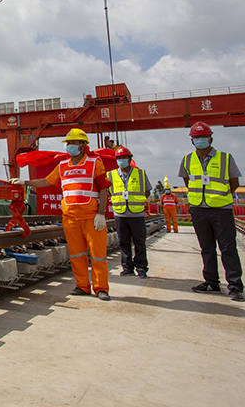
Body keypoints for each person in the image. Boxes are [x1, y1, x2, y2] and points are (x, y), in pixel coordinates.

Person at [10, 128, 112, 300]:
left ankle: (101, 288)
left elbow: (103, 188)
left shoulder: (95, 163)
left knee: (97, 255)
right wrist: (24, 182)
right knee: (76, 254)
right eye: (69, 143)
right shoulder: (63, 165)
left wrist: (101, 214)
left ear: (82, 145)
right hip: (70, 217)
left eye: (73, 143)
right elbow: (46, 181)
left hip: (91, 216)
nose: (70, 146)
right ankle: (82, 286)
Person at [178, 121, 245, 301]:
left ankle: (235, 286)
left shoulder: (225, 158)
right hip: (199, 209)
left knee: (228, 248)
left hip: (221, 210)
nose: (200, 140)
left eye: (203, 137)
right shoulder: (187, 160)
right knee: (206, 248)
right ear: (192, 141)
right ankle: (211, 282)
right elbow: (188, 182)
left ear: (210, 138)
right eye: (196, 137)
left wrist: (220, 197)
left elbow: (234, 182)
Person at [107, 147, 151, 278]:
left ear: (130, 159)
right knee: (124, 242)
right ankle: (127, 267)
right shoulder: (111, 175)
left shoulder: (140, 174)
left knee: (139, 242)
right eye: (119, 158)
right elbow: (107, 191)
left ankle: (141, 268)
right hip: (120, 214)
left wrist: (136, 201)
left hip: (136, 214)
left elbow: (147, 191)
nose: (122, 161)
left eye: (124, 158)